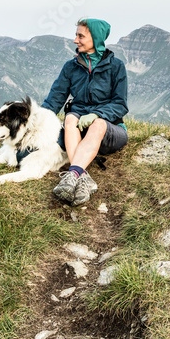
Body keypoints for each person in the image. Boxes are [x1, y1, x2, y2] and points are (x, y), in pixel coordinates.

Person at [42, 18, 128, 205]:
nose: (75, 40)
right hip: (78, 129)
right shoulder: (71, 67)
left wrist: (98, 114)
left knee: (98, 124)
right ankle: (82, 178)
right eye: (76, 35)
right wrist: (35, 121)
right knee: (71, 117)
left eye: (81, 36)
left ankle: (73, 173)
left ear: (95, 38)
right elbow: (54, 100)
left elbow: (120, 104)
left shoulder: (116, 67)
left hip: (110, 131)